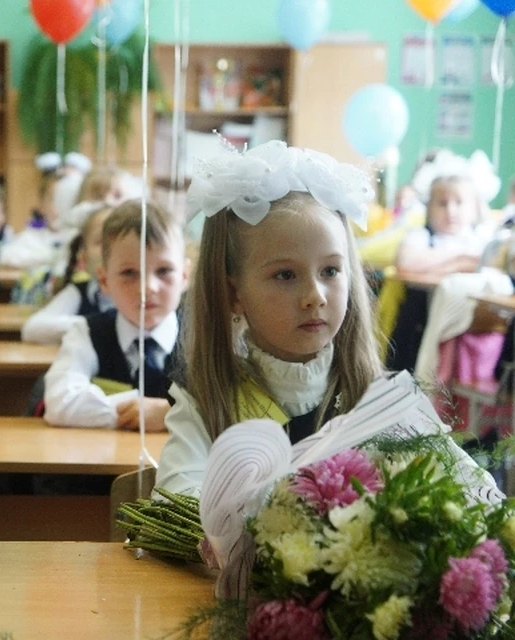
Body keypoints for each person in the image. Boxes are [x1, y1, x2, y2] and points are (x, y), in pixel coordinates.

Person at [154, 141, 387, 497]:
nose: (315, 296)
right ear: (234, 294)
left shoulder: (377, 394)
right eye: (285, 276)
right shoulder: (206, 400)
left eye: (330, 270)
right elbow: (177, 497)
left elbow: (463, 488)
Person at [42, 199, 189, 431]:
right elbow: (60, 402)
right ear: (104, 281)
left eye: (164, 271)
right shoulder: (87, 333)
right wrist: (140, 412)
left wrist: (172, 413)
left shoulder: (206, 334)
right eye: (129, 273)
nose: (148, 287)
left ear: (184, 276)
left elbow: (232, 407)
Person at [385, 149, 502, 372]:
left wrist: (439, 263)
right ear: (429, 207)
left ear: (474, 207)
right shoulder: (422, 235)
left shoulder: (482, 238)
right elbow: (407, 261)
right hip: (419, 325)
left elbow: (493, 264)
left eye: (459, 202)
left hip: (465, 331)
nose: (451, 210)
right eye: (442, 203)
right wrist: (460, 261)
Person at [22, 205, 114, 344]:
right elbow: (31, 329)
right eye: (101, 242)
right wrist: (97, 325)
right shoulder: (78, 292)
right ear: (84, 258)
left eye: (117, 241)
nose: (111, 250)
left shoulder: (143, 292)